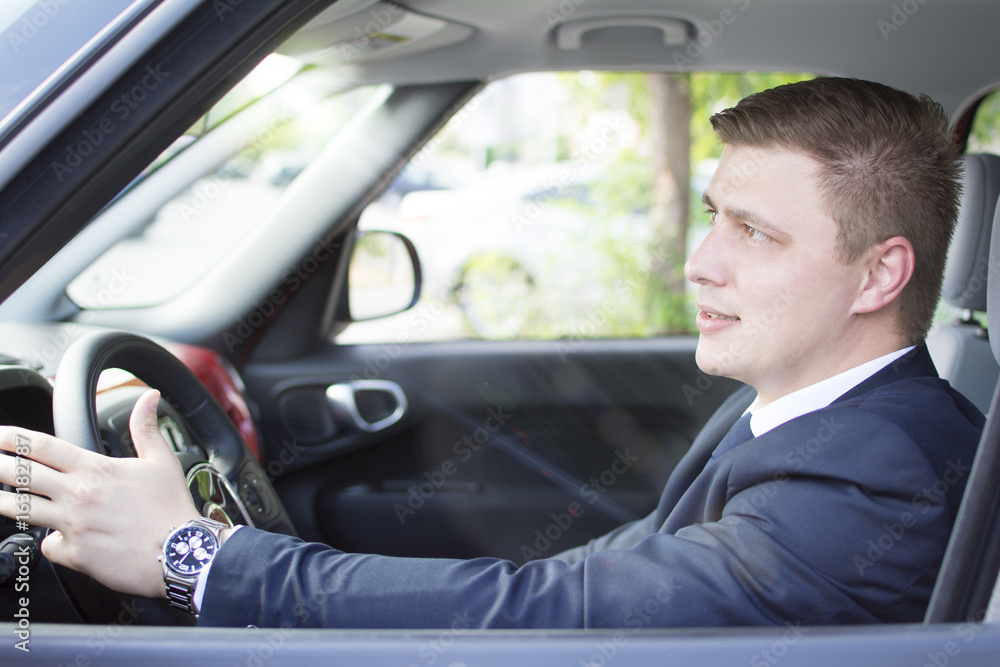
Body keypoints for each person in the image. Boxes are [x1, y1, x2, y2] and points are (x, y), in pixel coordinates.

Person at [0, 77, 985, 628]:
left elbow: (579, 609)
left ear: (877, 275)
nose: (699, 263)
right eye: (713, 217)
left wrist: (199, 558)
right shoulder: (808, 405)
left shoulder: (879, 471)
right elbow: (625, 565)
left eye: (755, 234)